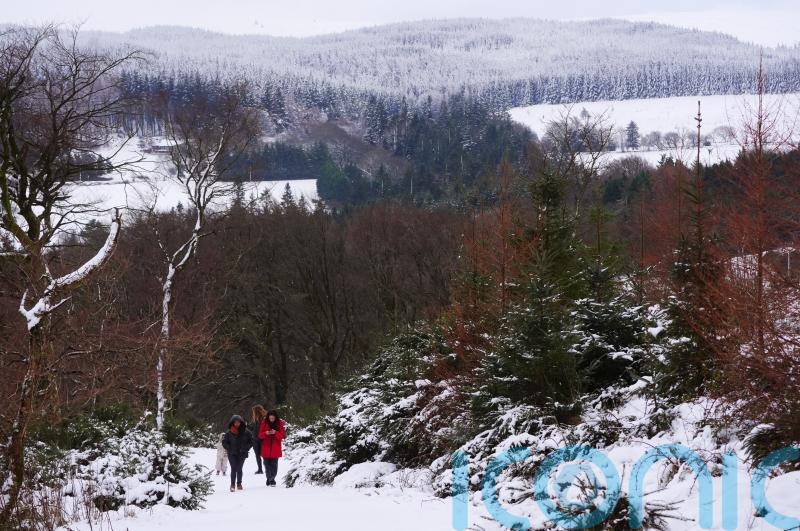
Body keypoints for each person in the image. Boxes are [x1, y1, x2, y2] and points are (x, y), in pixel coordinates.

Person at [221, 415, 252, 492]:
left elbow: (251, 441)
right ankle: (232, 484)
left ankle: (239, 484)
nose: (237, 423)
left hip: (242, 453)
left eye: (238, 422)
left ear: (241, 422)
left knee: (239, 468)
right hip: (232, 453)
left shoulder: (246, 431)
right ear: (232, 423)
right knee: (234, 468)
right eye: (235, 422)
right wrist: (229, 448)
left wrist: (246, 448)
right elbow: (224, 442)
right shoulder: (228, 432)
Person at [258, 409, 286, 487]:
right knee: (267, 465)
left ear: (275, 417)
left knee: (274, 466)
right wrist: (266, 433)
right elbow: (260, 435)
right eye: (270, 418)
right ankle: (270, 479)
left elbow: (283, 436)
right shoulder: (264, 423)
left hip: (275, 448)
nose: (271, 419)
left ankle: (271, 478)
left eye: (273, 418)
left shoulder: (280, 423)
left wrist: (275, 433)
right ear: (268, 417)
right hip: (266, 447)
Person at [250, 405, 267, 475]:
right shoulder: (255, 419)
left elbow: (257, 429)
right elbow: (253, 429)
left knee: (261, 455)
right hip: (256, 439)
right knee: (259, 455)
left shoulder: (264, 419)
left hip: (261, 439)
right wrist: (246, 426)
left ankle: (262, 469)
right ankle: (261, 469)